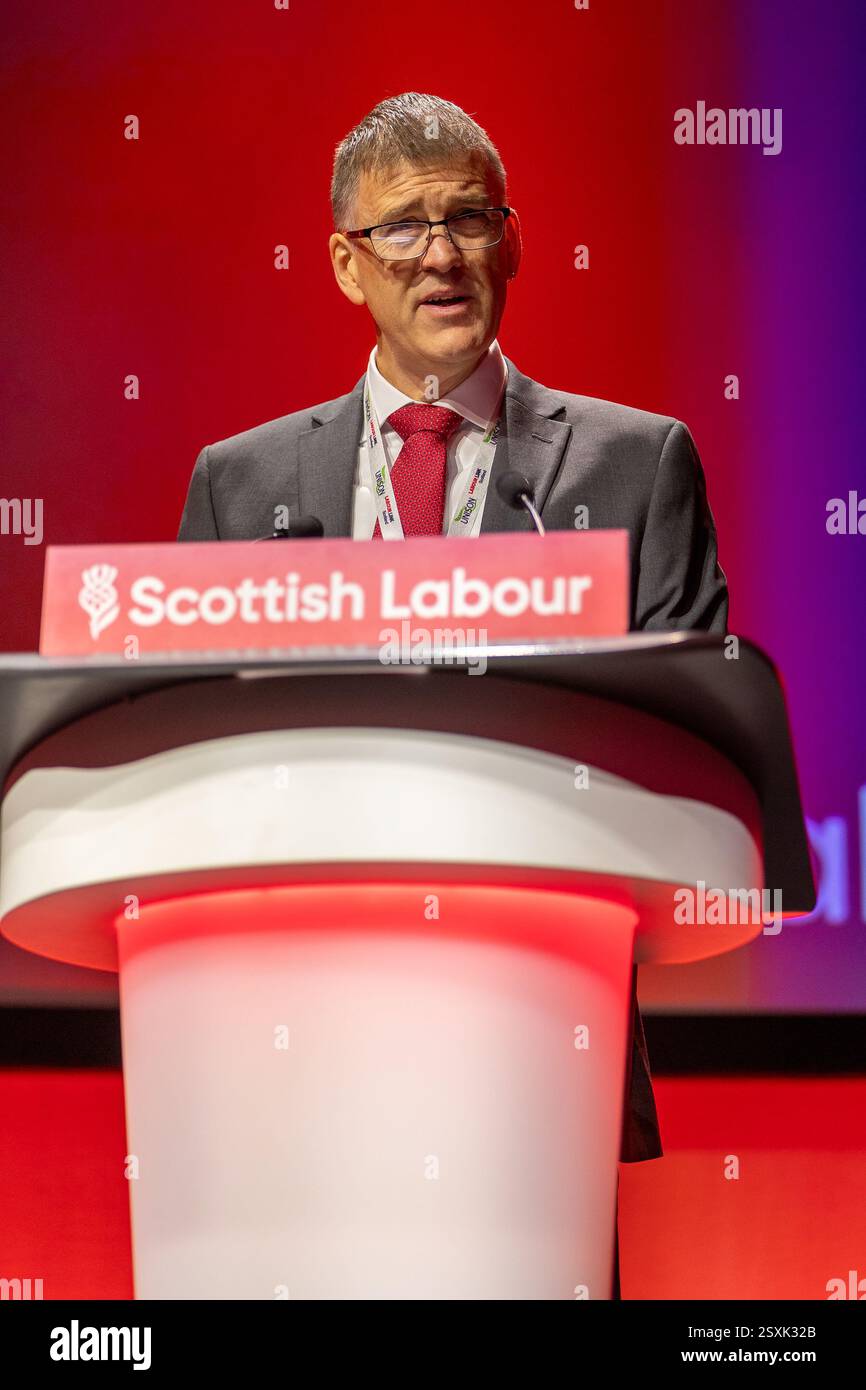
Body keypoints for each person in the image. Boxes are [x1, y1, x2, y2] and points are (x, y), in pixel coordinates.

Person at [178, 92, 729, 1296]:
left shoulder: (636, 467)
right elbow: (196, 764)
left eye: (470, 218)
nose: (441, 253)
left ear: (512, 243)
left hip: (533, 1043)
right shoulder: (241, 484)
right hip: (292, 1039)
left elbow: (688, 751)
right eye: (406, 227)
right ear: (344, 262)